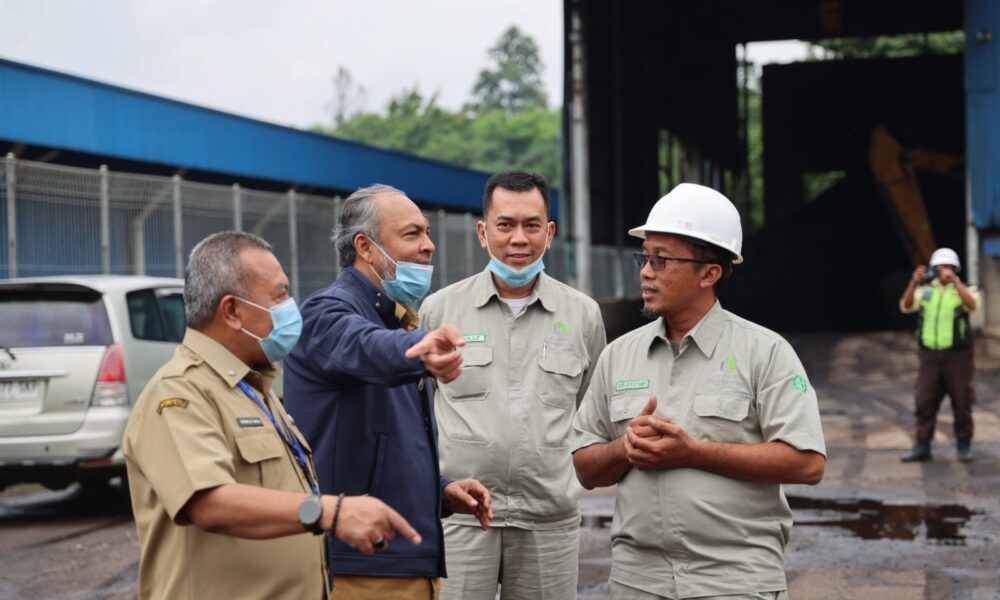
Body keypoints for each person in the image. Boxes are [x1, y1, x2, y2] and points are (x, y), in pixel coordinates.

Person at [122, 231, 421, 600]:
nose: (291, 307)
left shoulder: (252, 387)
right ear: (231, 311)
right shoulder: (180, 392)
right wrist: (330, 511)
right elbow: (209, 502)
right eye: (279, 295)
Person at [571, 183, 827, 600]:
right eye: (645, 256)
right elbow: (584, 466)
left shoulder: (765, 352)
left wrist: (693, 452)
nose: (646, 271)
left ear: (709, 274)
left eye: (662, 260)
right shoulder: (619, 355)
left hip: (734, 580)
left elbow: (807, 463)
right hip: (637, 581)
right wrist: (625, 449)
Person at [283, 184, 493, 600]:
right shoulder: (329, 312)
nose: (429, 246)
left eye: (428, 233)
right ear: (366, 246)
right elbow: (365, 346)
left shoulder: (396, 320)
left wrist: (439, 490)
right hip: (361, 565)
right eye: (413, 234)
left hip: (403, 562)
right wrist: (418, 348)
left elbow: (385, 441)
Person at [419, 171, 607, 599]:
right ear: (483, 233)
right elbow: (417, 412)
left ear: (550, 232)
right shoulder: (438, 311)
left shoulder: (583, 316)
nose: (519, 239)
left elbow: (591, 412)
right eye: (505, 225)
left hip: (549, 522)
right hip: (461, 520)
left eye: (532, 225)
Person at [898, 247, 980, 463]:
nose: (943, 270)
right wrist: (913, 282)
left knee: (962, 400)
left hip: (958, 357)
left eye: (948, 267)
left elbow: (972, 305)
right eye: (940, 267)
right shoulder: (926, 290)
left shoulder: (965, 289)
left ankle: (964, 445)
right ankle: (922, 445)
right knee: (924, 400)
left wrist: (955, 283)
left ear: (955, 269)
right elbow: (906, 306)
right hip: (929, 356)